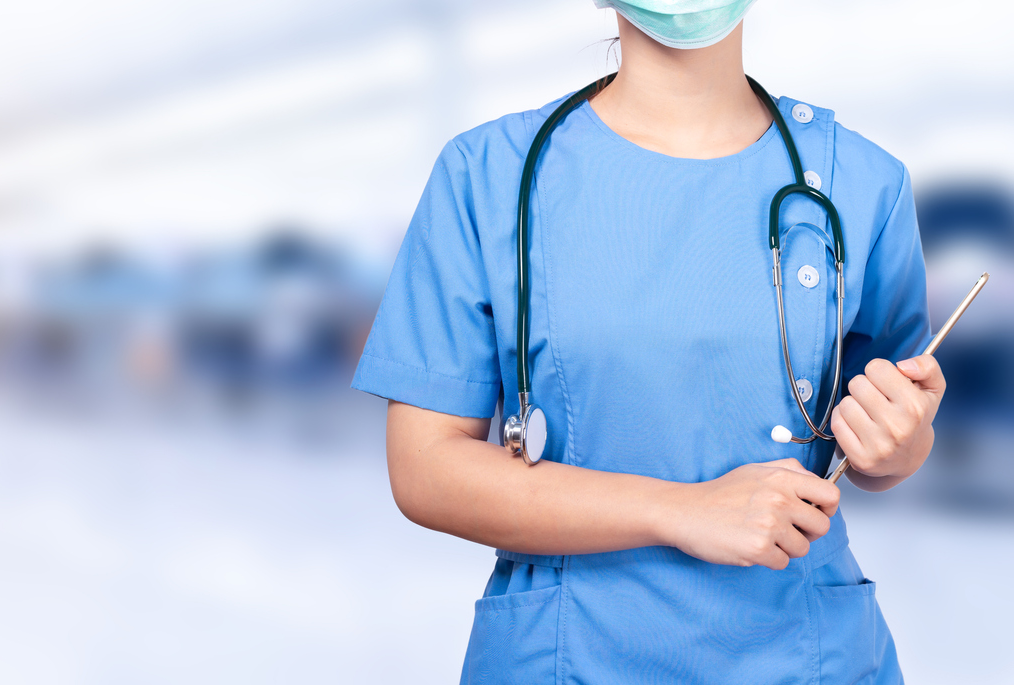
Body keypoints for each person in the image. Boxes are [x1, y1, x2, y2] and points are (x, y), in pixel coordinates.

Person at [351, 2, 942, 683]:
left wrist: (903, 442)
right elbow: (425, 468)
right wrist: (682, 511)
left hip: (804, 654)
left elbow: (879, 445)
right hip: (569, 654)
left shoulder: (862, 182)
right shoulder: (486, 175)